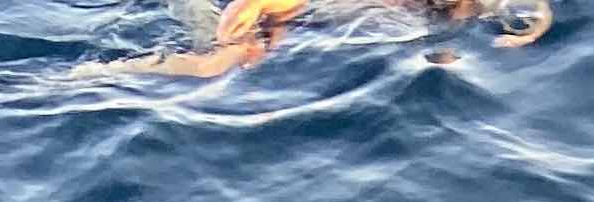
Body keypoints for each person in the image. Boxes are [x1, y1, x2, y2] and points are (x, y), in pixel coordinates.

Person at [120, 0, 548, 82]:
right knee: (216, 66)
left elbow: (534, 6)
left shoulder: (474, 8)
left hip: (306, 28)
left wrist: (535, 27)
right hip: (279, 19)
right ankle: (83, 78)